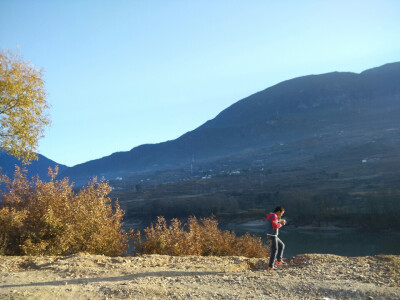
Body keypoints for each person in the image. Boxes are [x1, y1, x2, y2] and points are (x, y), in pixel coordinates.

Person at [266, 206, 286, 271]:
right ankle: (270, 266)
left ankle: (279, 260)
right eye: (282, 213)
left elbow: (274, 222)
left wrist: (279, 221)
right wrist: (281, 224)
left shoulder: (272, 215)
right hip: (272, 235)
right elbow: (275, 226)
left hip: (273, 235)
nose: (282, 215)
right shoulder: (274, 216)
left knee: (281, 245)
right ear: (278, 212)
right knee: (274, 250)